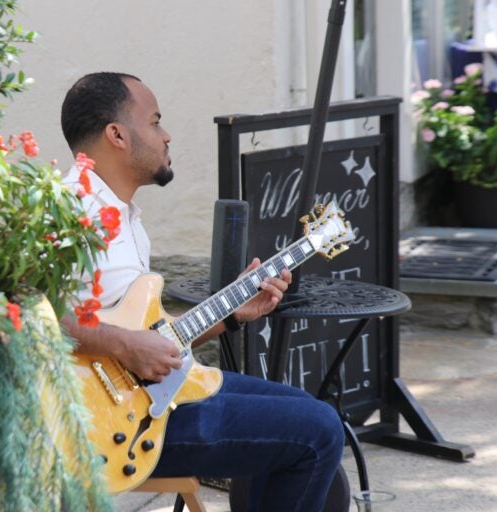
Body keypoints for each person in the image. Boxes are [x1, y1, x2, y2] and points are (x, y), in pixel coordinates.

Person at [60, 72, 344, 511]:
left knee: (305, 410)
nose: (166, 135)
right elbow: (22, 310)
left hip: (162, 393)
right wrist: (123, 343)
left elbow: (154, 338)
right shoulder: (71, 211)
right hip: (115, 427)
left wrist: (233, 315)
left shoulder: (123, 217)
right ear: (116, 134)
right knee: (317, 430)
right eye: (154, 122)